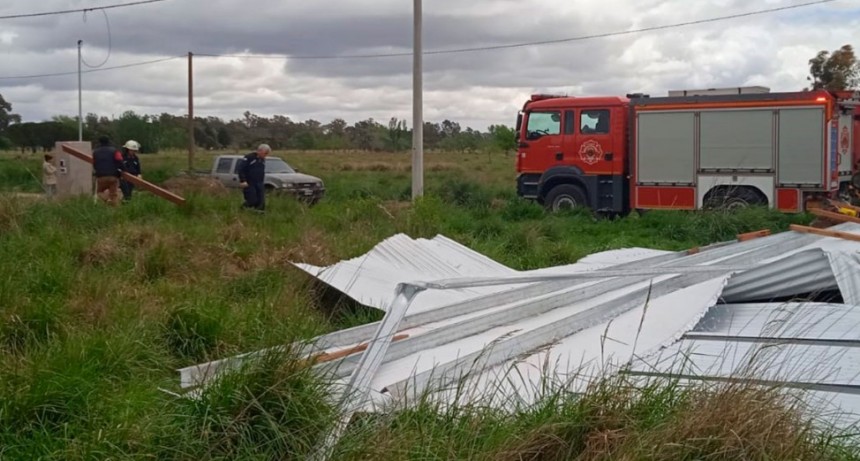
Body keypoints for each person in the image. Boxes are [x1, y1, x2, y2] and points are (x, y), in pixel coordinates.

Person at [92, 136, 124, 206]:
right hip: (113, 176)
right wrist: (122, 170)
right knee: (113, 194)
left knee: (99, 192)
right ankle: (113, 207)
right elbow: (120, 161)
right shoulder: (114, 151)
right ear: (108, 142)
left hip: (100, 176)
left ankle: (106, 199)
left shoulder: (95, 152)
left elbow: (94, 163)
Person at [237, 143, 271, 212]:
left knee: (261, 201)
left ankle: (259, 214)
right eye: (265, 153)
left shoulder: (262, 160)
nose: (266, 155)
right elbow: (241, 169)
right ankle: (241, 210)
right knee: (252, 200)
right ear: (259, 151)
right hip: (249, 183)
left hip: (259, 183)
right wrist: (243, 180)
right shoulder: (249, 157)